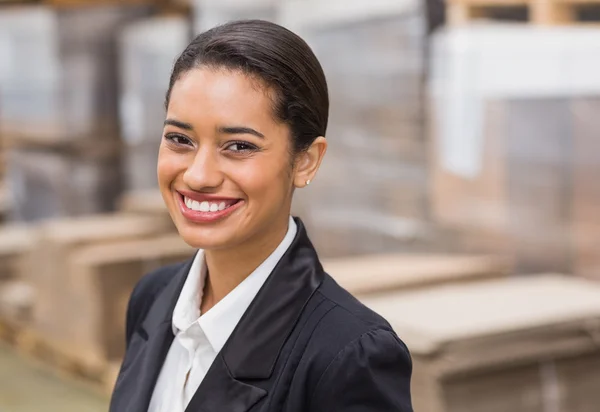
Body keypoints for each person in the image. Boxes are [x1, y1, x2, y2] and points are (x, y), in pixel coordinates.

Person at [109, 19, 413, 412]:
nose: (198, 176)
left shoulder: (347, 355)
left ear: (305, 161)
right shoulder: (153, 298)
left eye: (238, 145)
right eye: (179, 139)